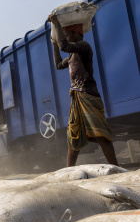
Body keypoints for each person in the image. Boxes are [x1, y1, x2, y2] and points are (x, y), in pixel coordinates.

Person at [48, 14, 119, 167]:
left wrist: (56, 24)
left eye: (67, 34)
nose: (65, 38)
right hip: (77, 96)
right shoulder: (73, 54)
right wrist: (54, 46)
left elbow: (64, 46)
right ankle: (69, 171)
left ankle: (116, 168)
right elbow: (59, 64)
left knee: (100, 134)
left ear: (75, 33)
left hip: (88, 95)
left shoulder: (84, 46)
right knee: (73, 137)